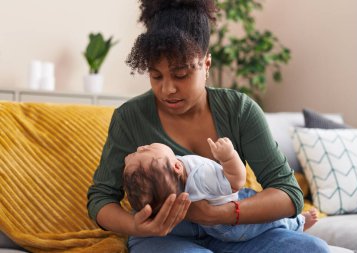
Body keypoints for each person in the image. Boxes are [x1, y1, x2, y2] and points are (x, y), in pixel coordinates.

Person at [87, 0, 330, 252]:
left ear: (206, 65)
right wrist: (136, 226)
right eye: (156, 75)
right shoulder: (130, 117)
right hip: (165, 237)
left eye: (181, 74)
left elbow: (288, 194)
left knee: (314, 249)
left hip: (235, 230)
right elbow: (101, 198)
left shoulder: (239, 110)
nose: (167, 89)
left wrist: (220, 214)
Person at [123, 138, 318, 242]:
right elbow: (237, 181)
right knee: (267, 220)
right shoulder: (201, 173)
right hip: (231, 227)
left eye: (135, 153)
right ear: (176, 167)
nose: (140, 146)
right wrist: (229, 157)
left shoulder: (166, 181)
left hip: (214, 220)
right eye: (144, 151)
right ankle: (299, 222)